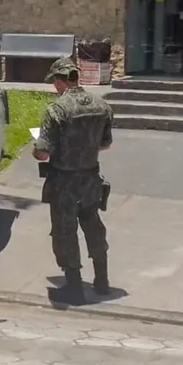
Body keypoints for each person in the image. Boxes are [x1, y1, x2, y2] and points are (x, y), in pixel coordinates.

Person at [32, 57, 114, 304]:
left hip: (64, 181)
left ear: (59, 80)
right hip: (90, 177)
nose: (54, 87)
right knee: (93, 225)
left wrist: (38, 149)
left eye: (54, 82)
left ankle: (74, 287)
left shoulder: (56, 110)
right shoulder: (101, 105)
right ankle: (102, 281)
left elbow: (43, 152)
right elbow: (106, 144)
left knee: (65, 232)